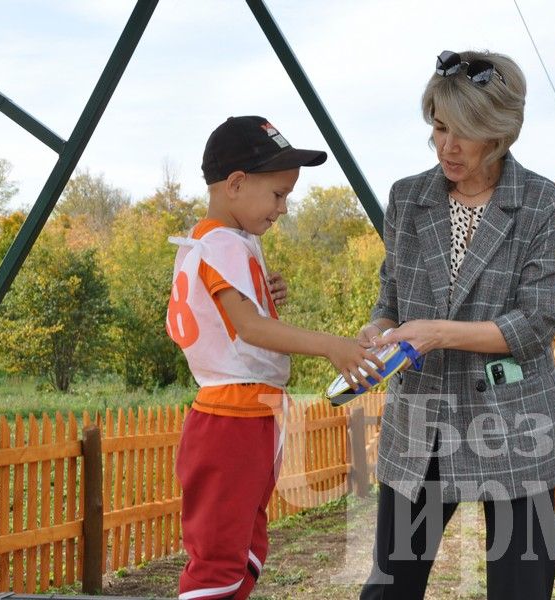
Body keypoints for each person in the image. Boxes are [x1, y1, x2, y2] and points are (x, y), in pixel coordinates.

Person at [357, 50, 555, 600]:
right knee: (389, 589)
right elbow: (391, 299)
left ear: (498, 133)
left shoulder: (539, 199)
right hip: (421, 417)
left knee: (521, 591)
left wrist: (439, 333)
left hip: (517, 421)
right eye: (439, 126)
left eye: (464, 132)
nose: (446, 145)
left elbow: (538, 321)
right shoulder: (406, 197)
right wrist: (379, 331)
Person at [166, 115, 382, 600]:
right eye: (278, 194)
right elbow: (249, 328)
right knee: (220, 552)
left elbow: (233, 317)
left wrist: (264, 291)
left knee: (243, 539)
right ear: (237, 183)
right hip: (230, 418)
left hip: (252, 412)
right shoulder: (221, 242)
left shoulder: (228, 242)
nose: (283, 208)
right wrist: (331, 344)